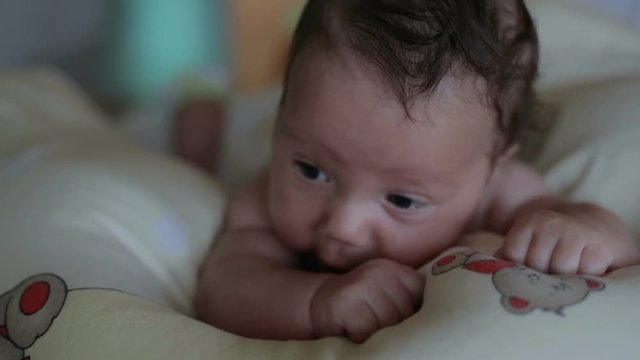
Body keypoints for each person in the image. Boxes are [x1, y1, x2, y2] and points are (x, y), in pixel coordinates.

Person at [194, 0, 640, 343]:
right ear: (285, 114)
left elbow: (602, 238)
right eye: (312, 171)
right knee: (206, 134)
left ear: (491, 169)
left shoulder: (502, 192)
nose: (344, 226)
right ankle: (200, 110)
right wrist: (316, 302)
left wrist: (582, 232)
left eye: (403, 201)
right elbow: (226, 288)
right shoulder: (263, 195)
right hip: (243, 127)